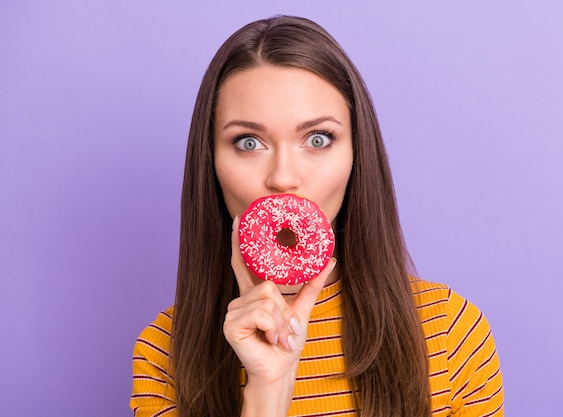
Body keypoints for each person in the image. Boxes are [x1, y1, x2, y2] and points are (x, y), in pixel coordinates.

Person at [130, 15, 504, 417]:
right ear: (211, 163)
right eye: (249, 142)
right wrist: (267, 391)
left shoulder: (447, 330)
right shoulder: (165, 356)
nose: (283, 178)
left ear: (356, 155)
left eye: (318, 139)